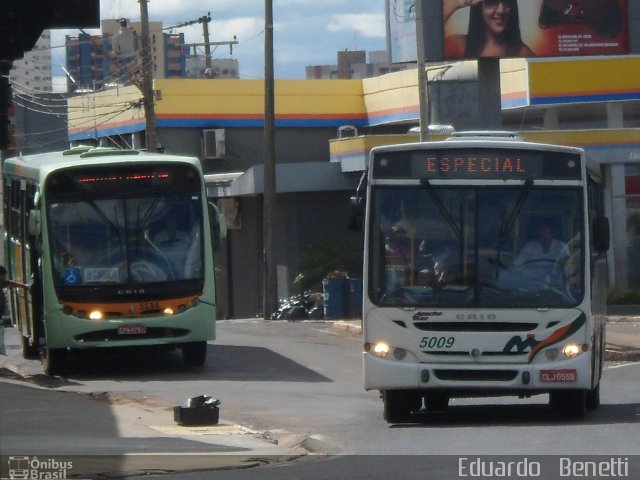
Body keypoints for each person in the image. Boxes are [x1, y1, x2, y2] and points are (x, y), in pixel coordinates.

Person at [444, 0, 535, 59]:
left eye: (507, 1)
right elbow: (430, 38)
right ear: (479, 8)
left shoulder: (523, 53)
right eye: (492, 2)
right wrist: (454, 3)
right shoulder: (458, 45)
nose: (501, 10)